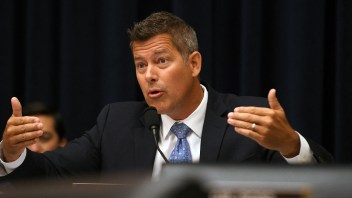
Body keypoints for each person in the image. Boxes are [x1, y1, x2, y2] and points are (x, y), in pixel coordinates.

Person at [0, 11, 333, 182]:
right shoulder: (115, 123)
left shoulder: (250, 117)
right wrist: (11, 153)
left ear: (194, 63)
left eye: (161, 61)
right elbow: (51, 173)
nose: (149, 75)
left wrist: (292, 145)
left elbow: (322, 188)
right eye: (140, 64)